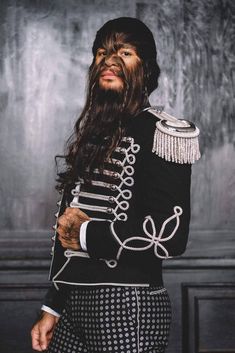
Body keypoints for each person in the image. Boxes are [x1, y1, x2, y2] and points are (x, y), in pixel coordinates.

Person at [31, 17, 200, 353]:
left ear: (147, 68)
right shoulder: (93, 137)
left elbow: (170, 236)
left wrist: (84, 234)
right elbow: (67, 230)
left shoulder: (163, 133)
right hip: (74, 305)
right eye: (101, 53)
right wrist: (53, 306)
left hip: (128, 303)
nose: (109, 61)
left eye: (124, 52)